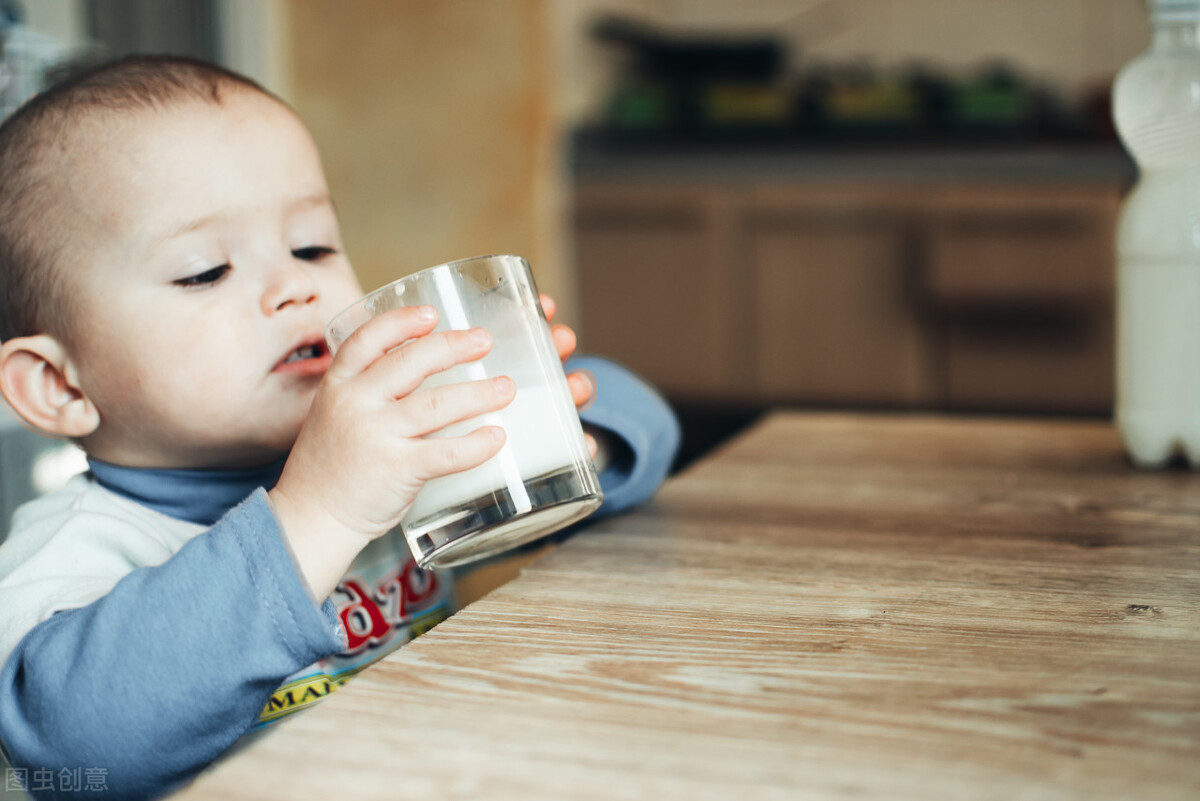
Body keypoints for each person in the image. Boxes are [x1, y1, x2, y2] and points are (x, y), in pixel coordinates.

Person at [0, 55, 679, 799]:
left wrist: (564, 432)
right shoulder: (72, 557)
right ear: (60, 385)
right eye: (204, 270)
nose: (296, 285)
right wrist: (320, 512)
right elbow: (73, 746)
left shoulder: (388, 453)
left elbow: (651, 420)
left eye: (313, 245)